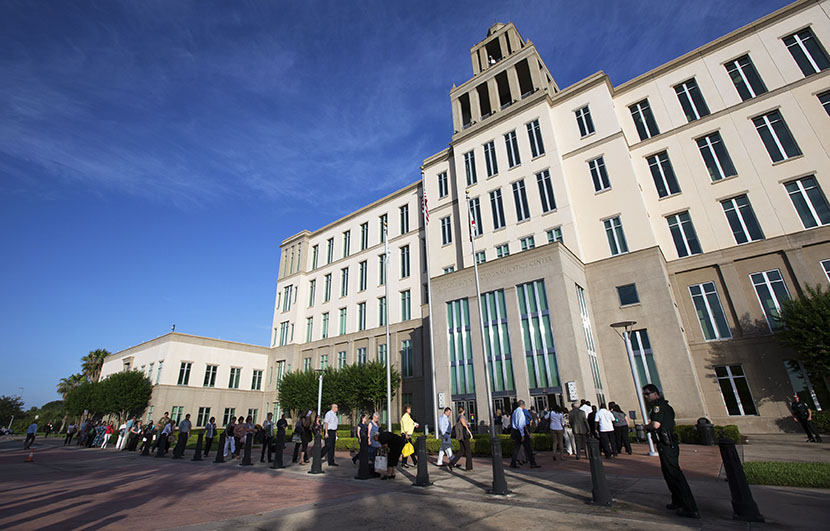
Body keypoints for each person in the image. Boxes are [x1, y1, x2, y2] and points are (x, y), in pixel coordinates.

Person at [643, 384, 699, 519]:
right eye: (644, 394)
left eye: (647, 393)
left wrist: (646, 426)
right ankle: (678, 501)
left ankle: (690, 507)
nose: (646, 396)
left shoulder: (658, 407)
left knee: (674, 474)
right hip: (666, 443)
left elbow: (656, 424)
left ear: (656, 393)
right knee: (668, 473)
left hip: (667, 443)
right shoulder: (663, 406)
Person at [510, 400, 539, 468]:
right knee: (528, 447)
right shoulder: (520, 412)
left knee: (516, 448)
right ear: (522, 405)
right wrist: (522, 434)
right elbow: (520, 424)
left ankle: (513, 463)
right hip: (520, 431)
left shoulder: (515, 411)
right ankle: (533, 463)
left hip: (516, 431)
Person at [450, 406, 473, 471]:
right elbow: (464, 425)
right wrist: (470, 433)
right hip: (463, 436)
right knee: (468, 450)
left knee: (462, 450)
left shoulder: (457, 417)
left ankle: (452, 463)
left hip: (460, 436)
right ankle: (468, 467)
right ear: (464, 411)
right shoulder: (462, 417)